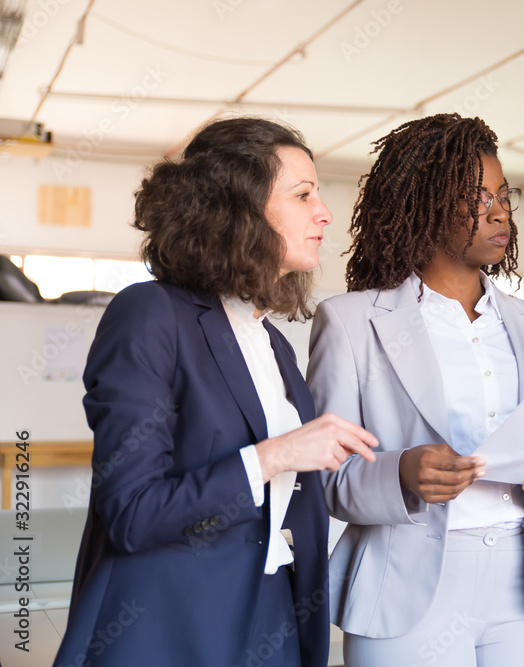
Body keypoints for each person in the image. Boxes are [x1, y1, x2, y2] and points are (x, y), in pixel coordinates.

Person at [55, 118, 378, 667]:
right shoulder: (150, 313)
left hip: (271, 616)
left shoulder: (272, 341)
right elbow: (131, 513)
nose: (325, 213)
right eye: (303, 195)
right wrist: (276, 455)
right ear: (238, 209)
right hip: (168, 627)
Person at [307, 113, 524, 666]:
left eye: (503, 195)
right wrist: (401, 473)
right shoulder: (350, 322)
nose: (500, 211)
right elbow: (324, 479)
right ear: (424, 204)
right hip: (405, 587)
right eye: (477, 198)